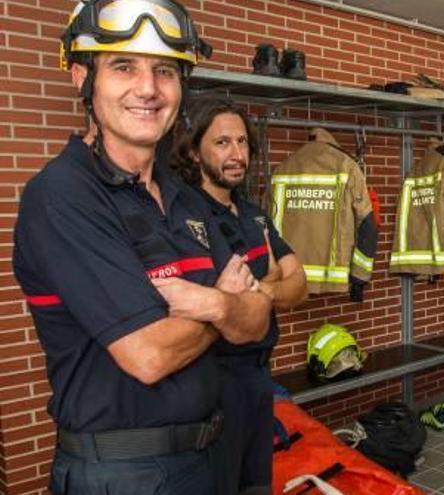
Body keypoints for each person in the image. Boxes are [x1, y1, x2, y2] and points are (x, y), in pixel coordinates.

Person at [12, 2, 273, 493]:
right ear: (81, 78)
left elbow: (258, 319)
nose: (148, 89)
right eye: (123, 66)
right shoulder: (63, 195)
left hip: (211, 456)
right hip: (124, 473)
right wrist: (227, 309)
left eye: (165, 71)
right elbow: (148, 355)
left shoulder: (185, 198)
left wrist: (211, 301)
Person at [171, 98, 308, 494]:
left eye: (243, 142)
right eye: (222, 143)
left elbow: (299, 283)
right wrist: (271, 281)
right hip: (215, 383)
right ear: (195, 152)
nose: (237, 154)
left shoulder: (253, 214)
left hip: (258, 378)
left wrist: (262, 287)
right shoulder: (186, 217)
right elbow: (226, 315)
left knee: (257, 486)